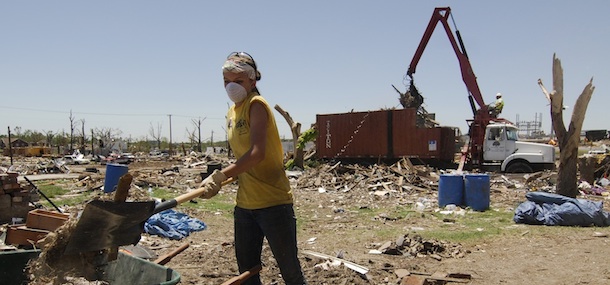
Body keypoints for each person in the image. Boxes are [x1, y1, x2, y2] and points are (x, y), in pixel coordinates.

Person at [199, 51, 307, 285]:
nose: (231, 86)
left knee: (290, 272)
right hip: (245, 206)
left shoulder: (256, 104)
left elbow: (257, 153)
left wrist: (219, 175)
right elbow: (242, 159)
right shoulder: (232, 111)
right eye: (226, 81)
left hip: (273, 204)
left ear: (252, 80)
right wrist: (223, 181)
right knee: (247, 273)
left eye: (237, 81)